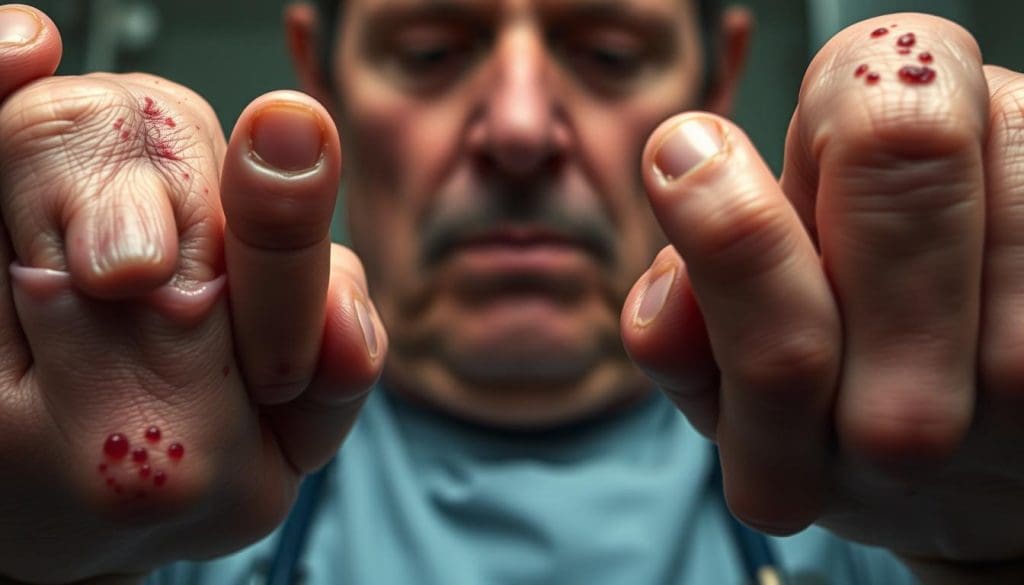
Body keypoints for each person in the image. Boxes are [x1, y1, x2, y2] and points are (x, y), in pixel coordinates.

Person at [0, 0, 1022, 582]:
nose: (522, 130)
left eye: (609, 53)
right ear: (322, 74)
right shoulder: (141, 513)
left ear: (718, 78)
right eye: (431, 52)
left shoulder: (905, 497)